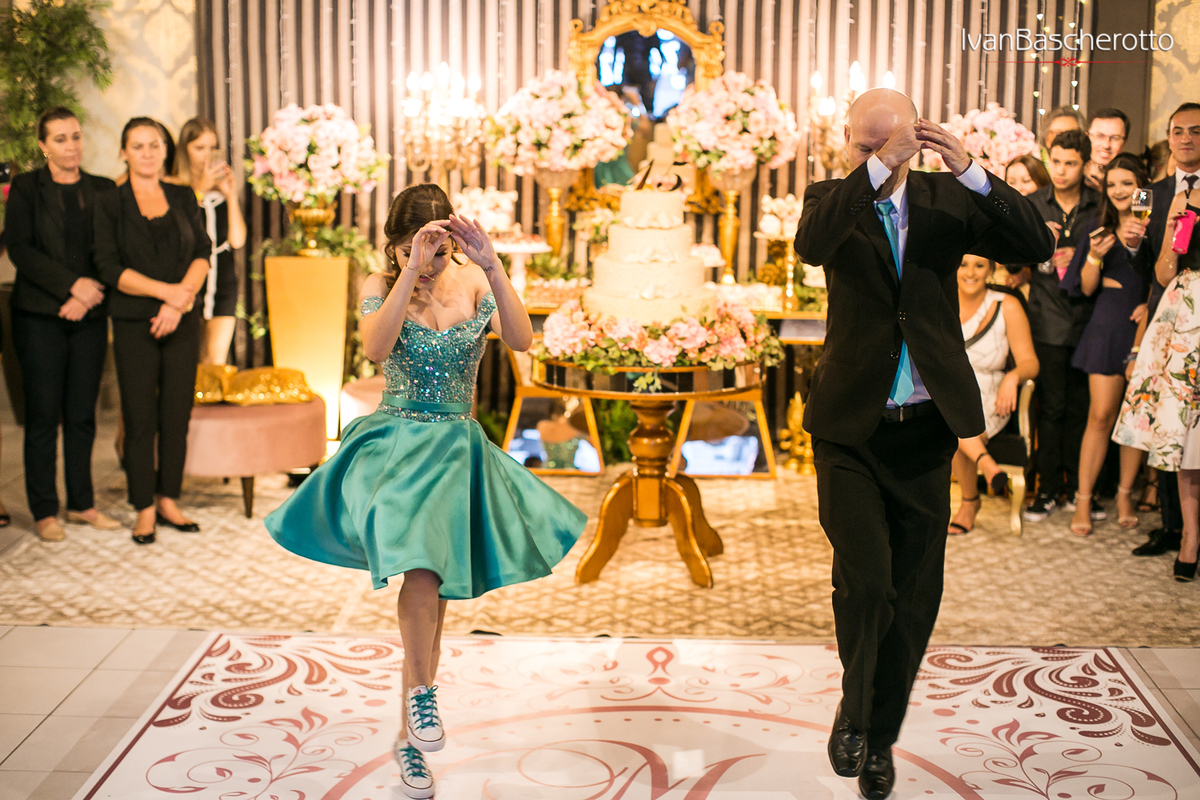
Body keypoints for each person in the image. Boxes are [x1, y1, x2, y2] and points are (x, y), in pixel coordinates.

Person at [264, 184, 587, 799]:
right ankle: (422, 698)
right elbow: (375, 348)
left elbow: (522, 341)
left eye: (440, 250)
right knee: (419, 572)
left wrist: (493, 265)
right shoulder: (378, 283)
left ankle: (411, 734)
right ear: (395, 245)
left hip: (456, 450)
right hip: (397, 447)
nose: (433, 261)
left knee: (432, 592)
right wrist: (409, 271)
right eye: (418, 249)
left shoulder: (473, 279)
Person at [793, 88, 1053, 800]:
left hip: (926, 430)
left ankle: (879, 736)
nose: (875, 156)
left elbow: (1036, 244)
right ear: (848, 141)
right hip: (849, 431)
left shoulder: (946, 201)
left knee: (913, 597)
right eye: (864, 146)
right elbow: (810, 246)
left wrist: (971, 170)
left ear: (919, 139)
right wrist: (878, 168)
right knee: (866, 581)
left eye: (890, 144)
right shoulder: (832, 198)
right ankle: (855, 707)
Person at [4, 107, 122, 542]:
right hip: (39, 317)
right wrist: (72, 288)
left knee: (81, 415)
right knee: (42, 416)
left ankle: (82, 504)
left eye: (75, 136)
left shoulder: (102, 189)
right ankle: (44, 512)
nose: (71, 146)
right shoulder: (26, 188)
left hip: (89, 315)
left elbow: (113, 251)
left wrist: (89, 294)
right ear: (43, 146)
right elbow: (20, 249)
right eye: (60, 139)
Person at [93, 118, 211, 545]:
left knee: (176, 415)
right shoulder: (110, 201)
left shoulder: (182, 195)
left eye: (154, 144)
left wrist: (179, 303)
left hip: (182, 320)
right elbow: (109, 267)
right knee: (139, 416)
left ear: (165, 150)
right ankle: (143, 505)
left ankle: (168, 500)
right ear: (124, 152)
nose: (147, 153)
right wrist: (168, 295)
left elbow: (202, 253)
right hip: (133, 322)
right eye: (138, 146)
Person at [1012, 129, 1102, 522]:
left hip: (1089, 319)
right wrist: (1035, 241)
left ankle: (1080, 489)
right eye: (1056, 162)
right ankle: (1047, 489)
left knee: (1083, 410)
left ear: (1085, 165)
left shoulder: (1100, 204)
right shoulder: (1033, 203)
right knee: (1051, 408)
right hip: (1046, 319)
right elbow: (1012, 263)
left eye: (1070, 163)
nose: (1061, 171)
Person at [1060, 154, 1153, 535]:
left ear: (1141, 187)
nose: (1118, 190)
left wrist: (1150, 304)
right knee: (1100, 415)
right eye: (1112, 184)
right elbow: (1085, 287)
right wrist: (1095, 258)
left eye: (1126, 183)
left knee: (1136, 417)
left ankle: (1125, 494)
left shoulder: (1155, 225)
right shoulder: (1097, 229)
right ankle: (1083, 499)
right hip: (1107, 324)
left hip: (1146, 324)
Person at [1113, 186, 1200, 581]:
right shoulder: (1187, 197)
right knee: (1183, 430)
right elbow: (1164, 273)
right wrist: (1174, 232)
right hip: (1188, 313)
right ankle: (1190, 537)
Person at [1131, 102, 1200, 557]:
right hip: (1170, 317)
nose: (1186, 138)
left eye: (1196, 130)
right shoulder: (1153, 193)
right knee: (1171, 421)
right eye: (1178, 131)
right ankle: (1173, 527)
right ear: (1169, 137)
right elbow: (1150, 266)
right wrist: (1132, 244)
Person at [948, 255, 1039, 535]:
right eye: (963, 264)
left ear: (991, 269)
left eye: (979, 265)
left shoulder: (1007, 305)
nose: (970, 273)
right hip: (948, 389)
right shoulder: (942, 301)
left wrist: (1012, 377)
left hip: (991, 393)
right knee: (948, 412)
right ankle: (987, 464)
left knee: (954, 422)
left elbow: (1030, 362)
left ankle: (969, 501)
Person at [172, 117, 246, 364]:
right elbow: (176, 231)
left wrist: (231, 196)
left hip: (223, 279)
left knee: (215, 361)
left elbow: (237, 240)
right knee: (188, 360)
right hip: (188, 278)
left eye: (212, 148)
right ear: (185, 150)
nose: (206, 155)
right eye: (199, 148)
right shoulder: (174, 187)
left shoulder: (221, 188)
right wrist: (199, 190)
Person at [1084, 108, 1130, 191]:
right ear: (1087, 138)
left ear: (1124, 143)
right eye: (1100, 136)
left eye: (1115, 138)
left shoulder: (1132, 182)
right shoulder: (1074, 177)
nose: (1106, 145)